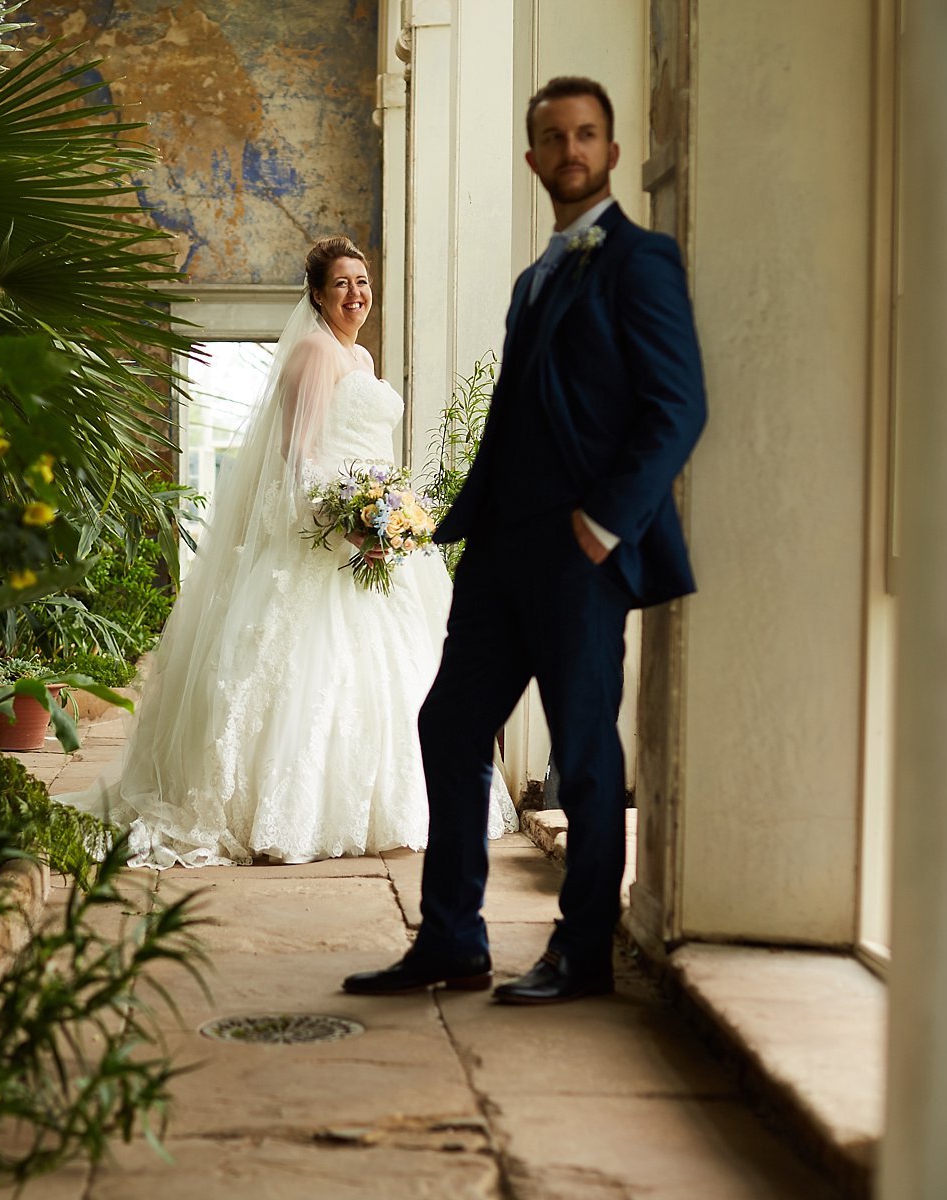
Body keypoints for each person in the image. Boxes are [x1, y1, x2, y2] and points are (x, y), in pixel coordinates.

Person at [344, 76, 707, 1001]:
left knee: (583, 754)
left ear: (611, 152)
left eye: (586, 134)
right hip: (502, 552)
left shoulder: (642, 261)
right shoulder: (532, 278)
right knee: (449, 725)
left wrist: (603, 523)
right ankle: (453, 940)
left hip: (581, 554)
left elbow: (677, 407)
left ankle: (582, 953)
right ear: (533, 157)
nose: (570, 149)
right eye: (553, 136)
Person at [60, 236, 516, 867]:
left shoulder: (360, 358)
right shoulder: (312, 352)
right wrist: (347, 524)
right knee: (311, 673)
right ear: (318, 295)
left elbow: (366, 449)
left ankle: (400, 804)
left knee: (398, 671)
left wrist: (392, 516)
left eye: (362, 282)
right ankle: (288, 815)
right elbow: (297, 457)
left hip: (377, 528)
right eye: (341, 284)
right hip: (332, 533)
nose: (356, 294)